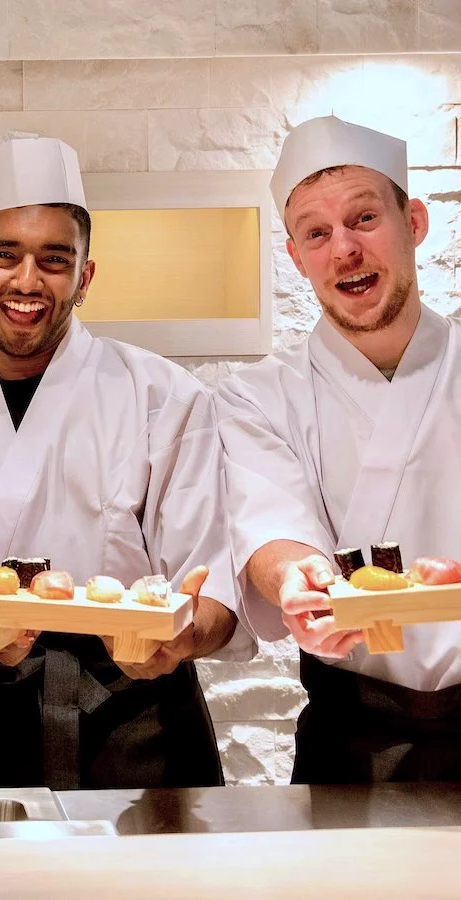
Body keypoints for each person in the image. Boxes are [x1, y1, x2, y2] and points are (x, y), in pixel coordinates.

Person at [0, 137, 250, 791]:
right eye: (4, 256)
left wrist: (182, 637)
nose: (27, 281)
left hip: (144, 714)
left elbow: (216, 589)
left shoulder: (165, 397)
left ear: (84, 278)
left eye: (54, 261)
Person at [216, 115, 461, 783]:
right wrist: (299, 582)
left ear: (413, 222)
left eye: (364, 218)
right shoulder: (258, 396)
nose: (344, 249)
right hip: (352, 738)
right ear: (296, 257)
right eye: (317, 234)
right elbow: (273, 526)